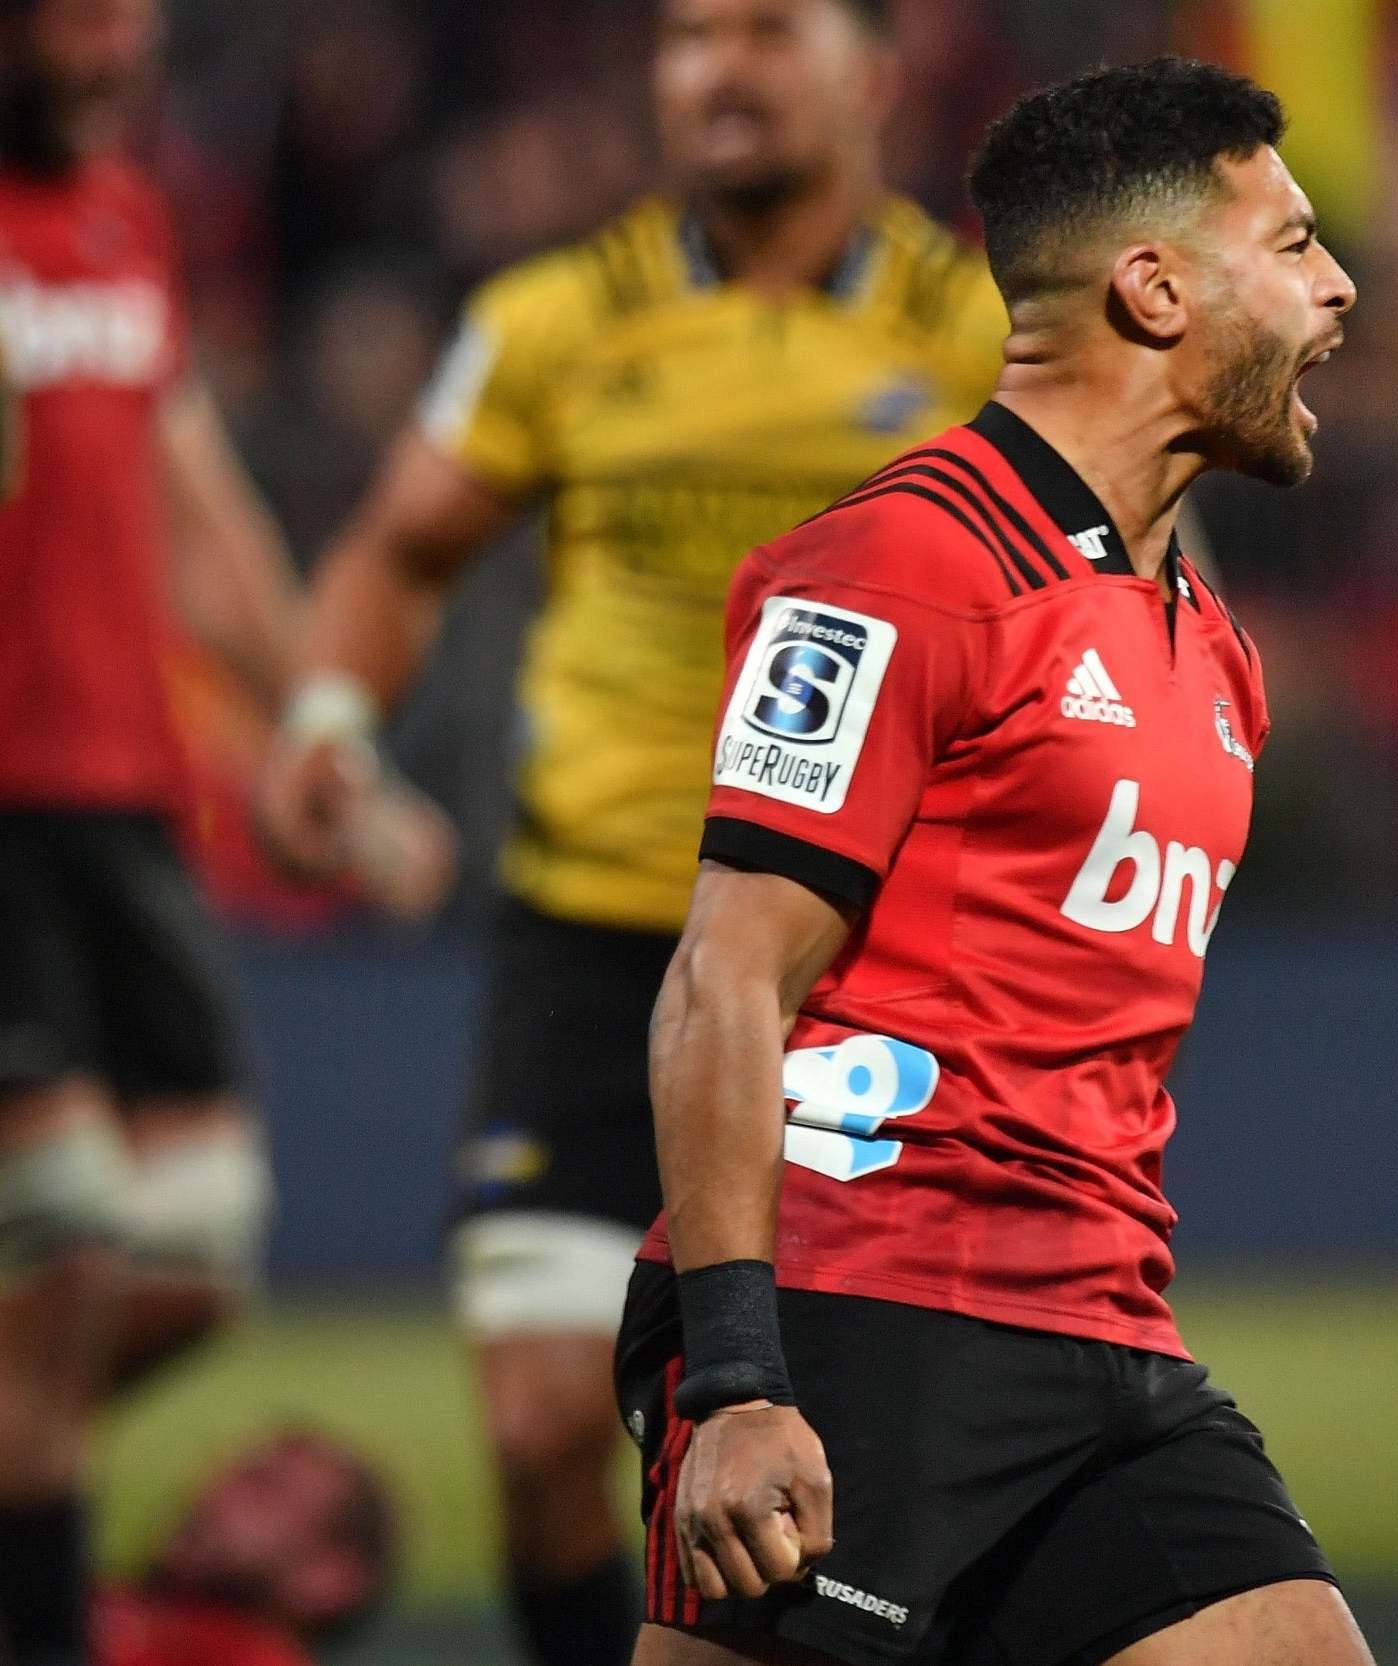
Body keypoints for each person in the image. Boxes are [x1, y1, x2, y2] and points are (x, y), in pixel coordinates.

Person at [254, 2, 1006, 1661]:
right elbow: (394, 553)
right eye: (683, 36)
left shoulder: (977, 332)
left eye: (765, 28)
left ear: (876, 76)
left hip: (851, 966)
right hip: (596, 939)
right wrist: (323, 719)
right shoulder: (555, 317)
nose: (715, 68)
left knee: (848, 1466)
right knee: (537, 1437)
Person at [617, 54, 1371, 1666]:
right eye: (1293, 244)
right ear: (1155, 290)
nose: (1339, 286)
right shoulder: (902, 564)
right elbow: (725, 975)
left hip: (1102, 1332)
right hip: (862, 1313)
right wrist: (738, 1379)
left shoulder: (1213, 649)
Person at [0, 4, 443, 1662]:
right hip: (4, 807)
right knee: (53, 1274)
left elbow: (201, 536)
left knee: (191, 1253)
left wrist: (327, 742)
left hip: (127, 809)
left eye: (136, 26)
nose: (118, 53)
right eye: (83, 25)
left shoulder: (127, 217)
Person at [94, 1429, 395, 1666]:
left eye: (264, 1488)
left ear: (329, 1576)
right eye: (230, 1475)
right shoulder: (122, 1606)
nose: (216, 1493)